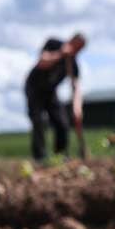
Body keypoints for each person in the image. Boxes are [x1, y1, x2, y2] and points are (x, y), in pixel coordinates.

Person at [25, 33, 87, 162]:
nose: (77, 52)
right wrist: (61, 53)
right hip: (34, 88)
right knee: (39, 120)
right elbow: (43, 62)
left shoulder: (73, 63)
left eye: (79, 50)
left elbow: (76, 88)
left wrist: (77, 108)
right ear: (71, 41)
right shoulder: (53, 44)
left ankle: (60, 155)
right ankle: (40, 157)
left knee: (62, 123)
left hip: (50, 92)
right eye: (76, 48)